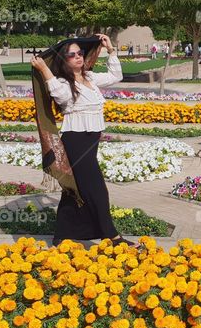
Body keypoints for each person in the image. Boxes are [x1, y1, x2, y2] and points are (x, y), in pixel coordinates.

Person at [28, 34, 139, 248]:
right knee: (97, 189)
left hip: (90, 141)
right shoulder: (62, 82)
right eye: (72, 55)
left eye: (80, 53)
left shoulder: (90, 77)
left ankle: (62, 235)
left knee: (74, 190)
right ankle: (112, 236)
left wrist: (110, 50)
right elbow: (60, 96)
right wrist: (44, 69)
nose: (78, 56)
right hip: (75, 141)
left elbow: (116, 75)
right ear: (64, 59)